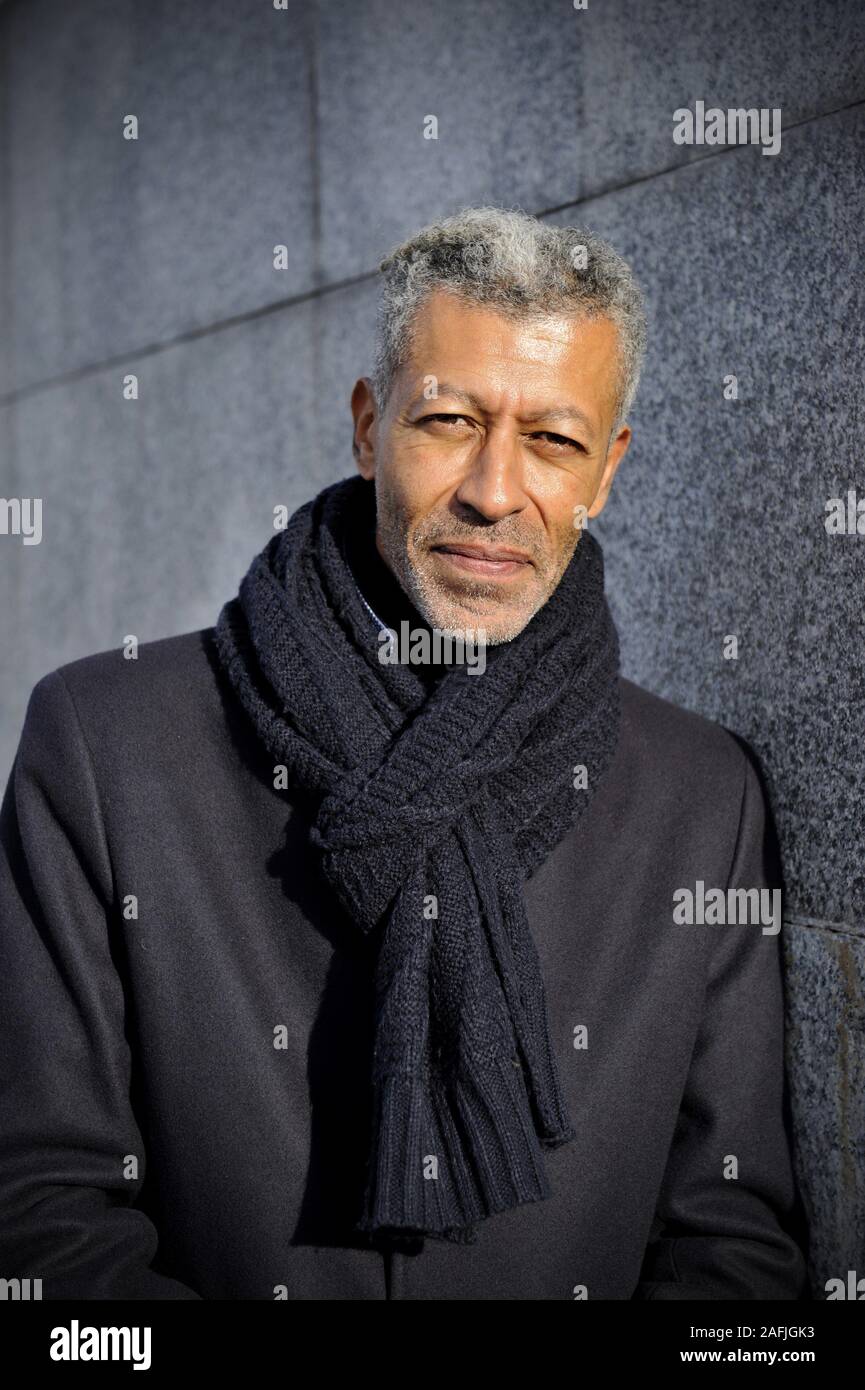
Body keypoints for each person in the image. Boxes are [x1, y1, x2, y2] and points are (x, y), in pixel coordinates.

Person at [0, 207, 808, 1300]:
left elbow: (731, 1243)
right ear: (367, 424)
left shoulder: (701, 796)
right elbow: (41, 1224)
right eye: (447, 422)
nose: (490, 488)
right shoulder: (108, 745)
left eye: (553, 440)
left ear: (606, 473)